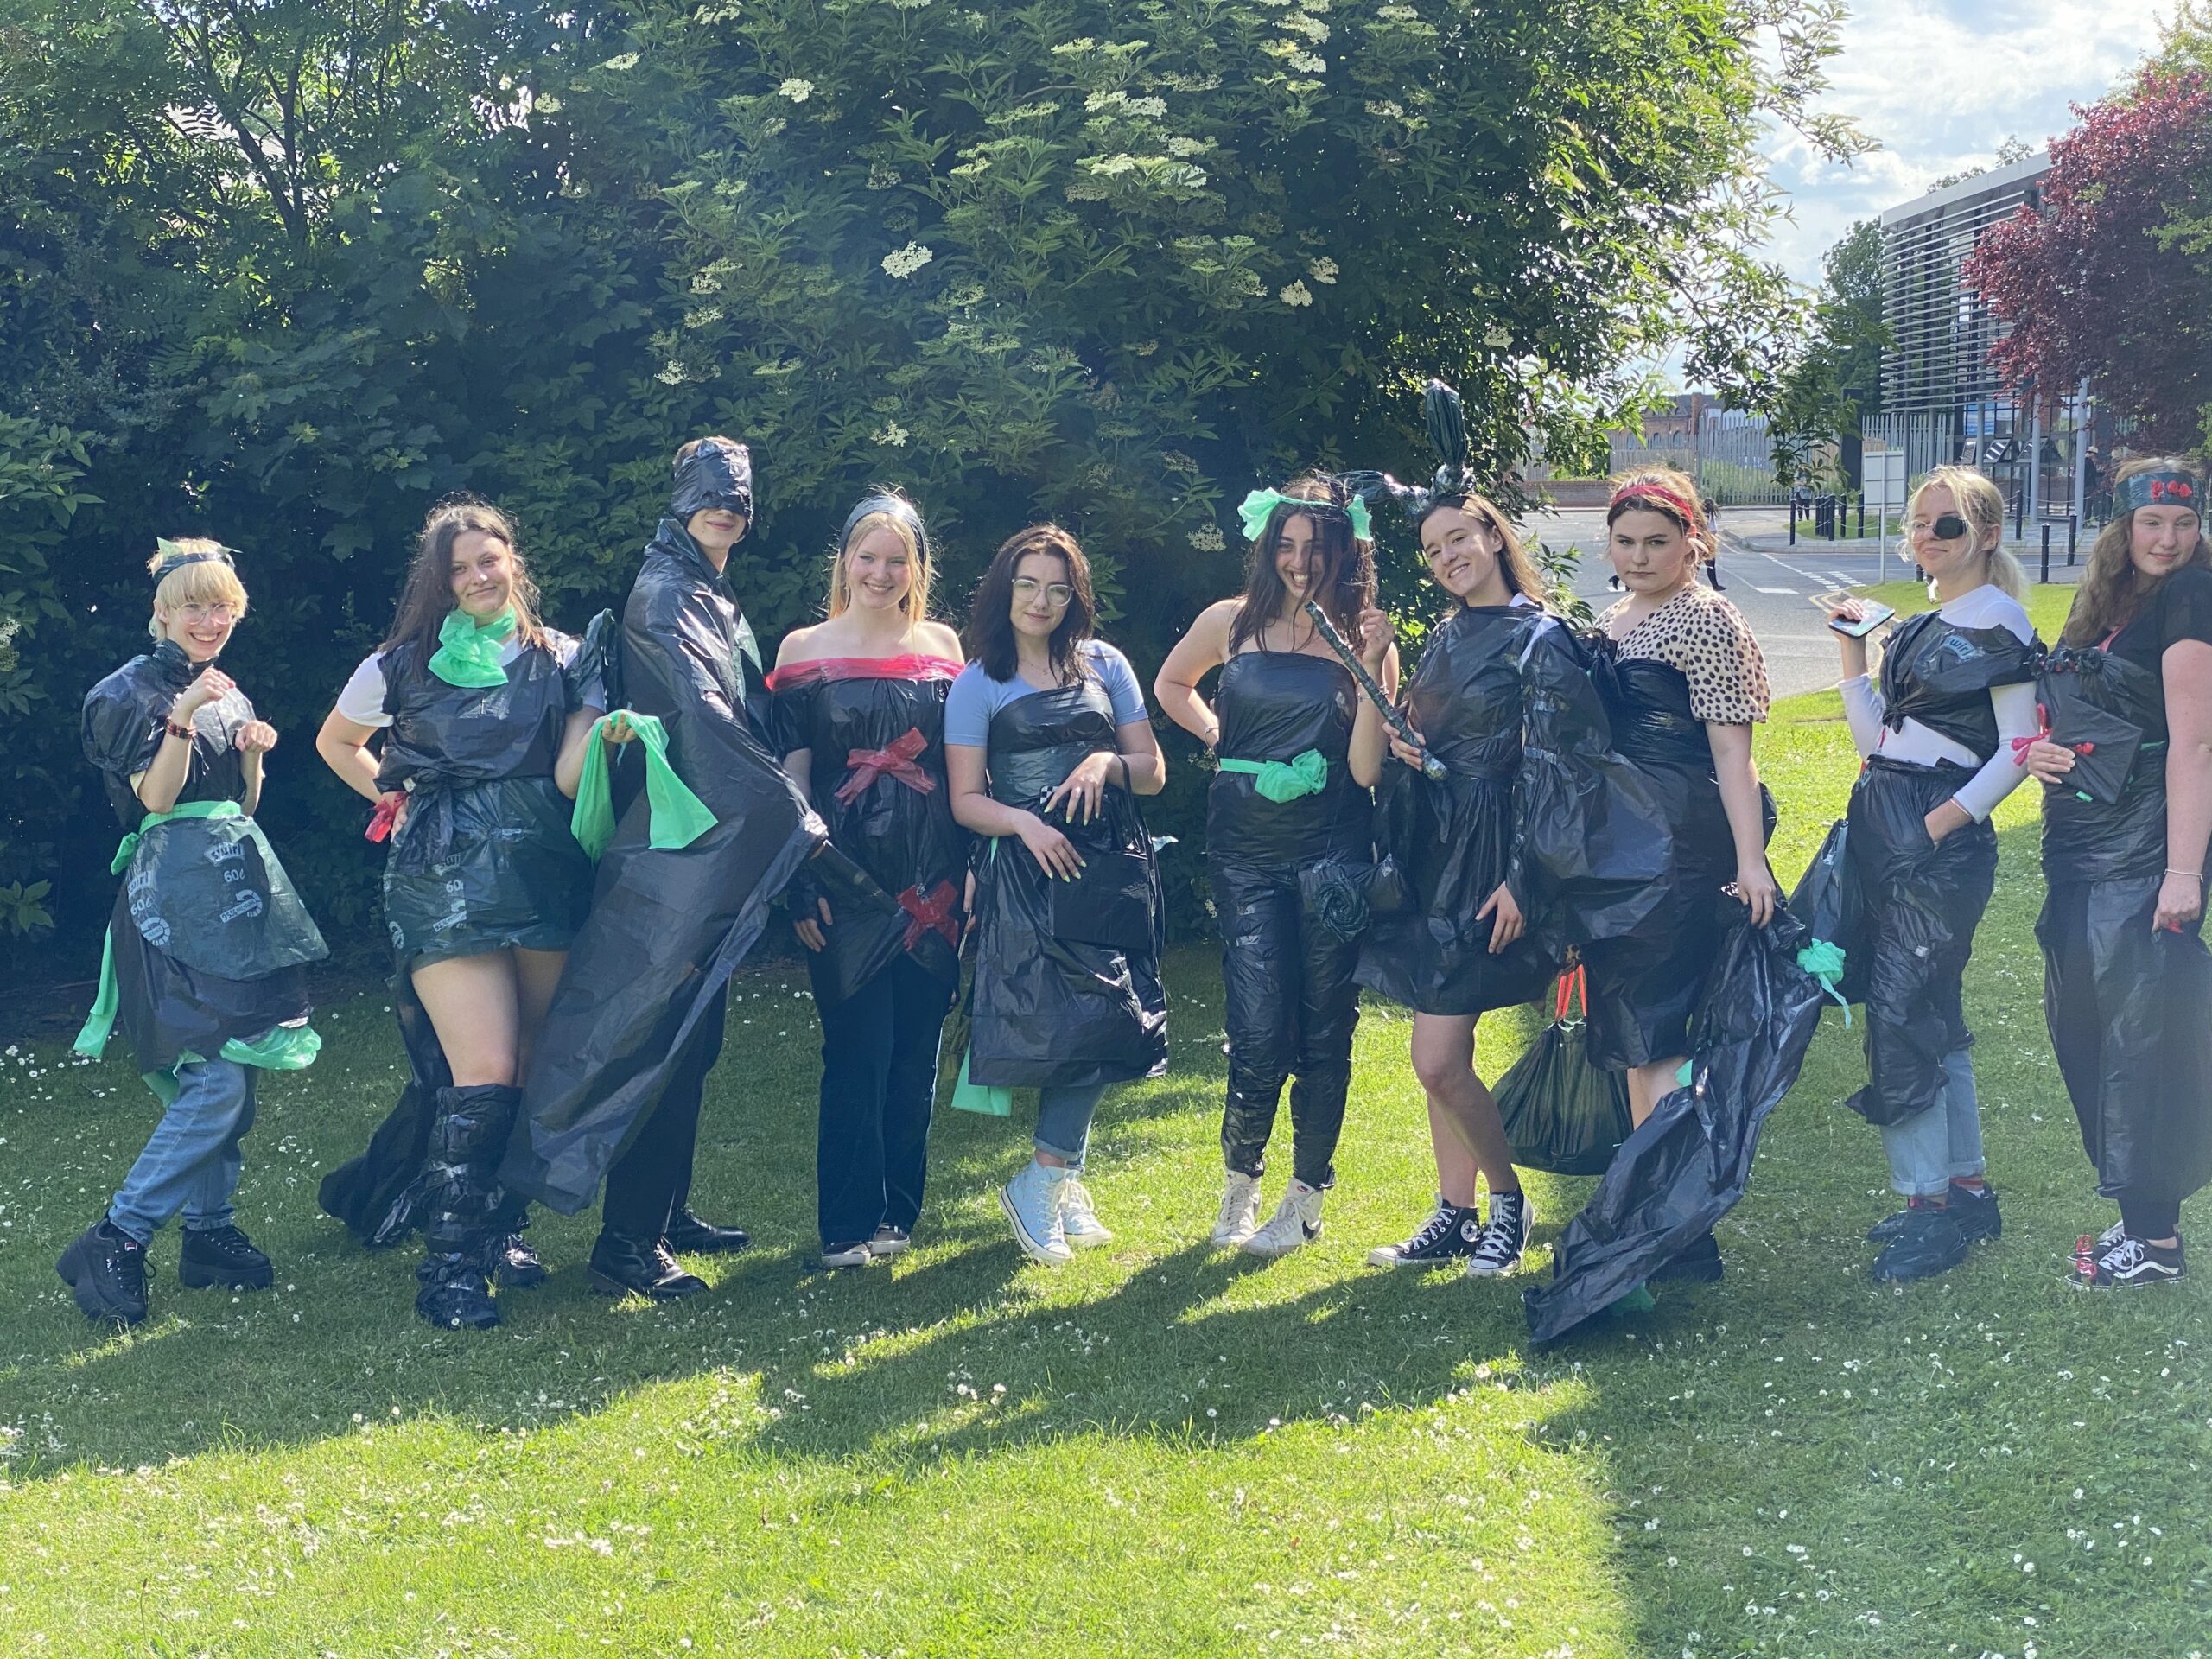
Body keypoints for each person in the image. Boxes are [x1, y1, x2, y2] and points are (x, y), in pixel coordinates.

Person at [501, 436, 827, 1300]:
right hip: (678, 848)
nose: (726, 508)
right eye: (710, 493)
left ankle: (662, 1211)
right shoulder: (669, 592)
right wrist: (791, 813)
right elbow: (701, 716)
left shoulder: (708, 590)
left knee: (693, 1036)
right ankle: (627, 1241)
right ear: (681, 497)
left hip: (702, 841)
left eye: (739, 498)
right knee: (658, 1035)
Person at [313, 499, 608, 1329]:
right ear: (439, 582)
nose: (479, 576)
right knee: (483, 1068)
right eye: (460, 567)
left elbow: (579, 767)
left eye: (491, 558)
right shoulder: (399, 664)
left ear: (514, 560)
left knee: (533, 1064)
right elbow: (336, 741)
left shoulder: (567, 658)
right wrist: (393, 794)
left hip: (546, 872)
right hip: (442, 876)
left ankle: (502, 1230)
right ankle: (449, 1270)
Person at [59, 539, 328, 1327]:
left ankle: (208, 1235)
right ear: (164, 610)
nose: (211, 619)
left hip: (234, 895)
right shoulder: (124, 692)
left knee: (234, 1075)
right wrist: (182, 718)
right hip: (165, 904)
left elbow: (238, 810)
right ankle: (116, 1237)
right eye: (196, 605)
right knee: (212, 1081)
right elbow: (154, 802)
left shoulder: (229, 691)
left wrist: (254, 759)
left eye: (224, 607)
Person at [1819, 468, 2037, 1282]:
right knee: (1926, 1008)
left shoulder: (2000, 622)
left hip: (1936, 838)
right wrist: (1851, 654)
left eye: (1946, 526)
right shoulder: (1918, 626)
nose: (1927, 538)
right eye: (1917, 524)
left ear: (1984, 534)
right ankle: (1964, 1190)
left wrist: (1942, 823)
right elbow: (1876, 741)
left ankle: (1930, 1207)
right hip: (1888, 821)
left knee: (1905, 1013)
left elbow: (2020, 745)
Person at [1155, 476, 1378, 1256]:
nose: (1298, 563)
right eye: (1285, 546)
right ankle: (1239, 1186)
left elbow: (1370, 768)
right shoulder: (1231, 621)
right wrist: (1222, 738)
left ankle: (1306, 1196)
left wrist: (1373, 667)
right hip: (1244, 849)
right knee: (1255, 1027)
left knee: (1324, 1026)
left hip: (1333, 846)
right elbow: (1171, 685)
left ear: (1344, 552)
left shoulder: (1359, 631)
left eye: (1316, 549)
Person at [946, 524, 1168, 1266]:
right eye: (1027, 584)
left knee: (1110, 1023)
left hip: (1110, 867)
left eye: (1057, 587)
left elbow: (1154, 770)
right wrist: (1020, 826)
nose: (1041, 600)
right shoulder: (978, 680)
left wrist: (1107, 760)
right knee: (1071, 1029)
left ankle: (1060, 1182)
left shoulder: (1107, 664)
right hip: (1032, 875)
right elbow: (965, 799)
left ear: (1076, 597)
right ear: (1004, 590)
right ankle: (1042, 1183)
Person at [1351, 478, 1555, 1277]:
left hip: (1491, 860)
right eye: (1432, 551)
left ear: (1494, 538)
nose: (1446, 559)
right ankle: (1455, 1212)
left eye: (1458, 542)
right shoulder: (1443, 636)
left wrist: (1524, 879)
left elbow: (1557, 768)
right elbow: (1407, 747)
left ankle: (1507, 1202)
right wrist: (1407, 740)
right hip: (1433, 853)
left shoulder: (1541, 638)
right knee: (1443, 1050)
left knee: (1435, 1058)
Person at [1579, 470, 1774, 1280]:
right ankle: (1670, 1220)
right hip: (1615, 850)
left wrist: (1749, 861)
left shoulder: (1708, 619)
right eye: (1626, 542)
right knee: (1636, 1038)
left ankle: (1675, 1220)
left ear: (1693, 541)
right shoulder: (1609, 619)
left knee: (1660, 1035)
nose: (1640, 556)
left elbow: (1734, 757)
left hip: (1682, 844)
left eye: (1658, 541)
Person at [2025, 457, 2211, 1287]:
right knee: (2089, 1030)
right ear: (2122, 524)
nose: (2168, 540)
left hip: (2143, 855)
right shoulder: (2109, 600)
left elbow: (2196, 744)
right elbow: (2082, 712)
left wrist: (2183, 872)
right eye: (2151, 524)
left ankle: (2155, 1240)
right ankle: (2142, 1223)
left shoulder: (2191, 597)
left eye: (2183, 523)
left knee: (2143, 1042)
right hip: (2081, 847)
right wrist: (2046, 750)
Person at [770, 493, 968, 1270]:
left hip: (934, 873)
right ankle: (846, 1225)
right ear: (844, 560)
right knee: (858, 1047)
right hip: (842, 876)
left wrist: (977, 873)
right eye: (867, 556)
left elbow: (964, 770)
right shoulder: (801, 649)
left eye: (897, 559)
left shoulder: (945, 644)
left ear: (917, 567)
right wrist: (798, 881)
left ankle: (897, 1211)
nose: (880, 572)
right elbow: (788, 776)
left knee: (916, 1050)